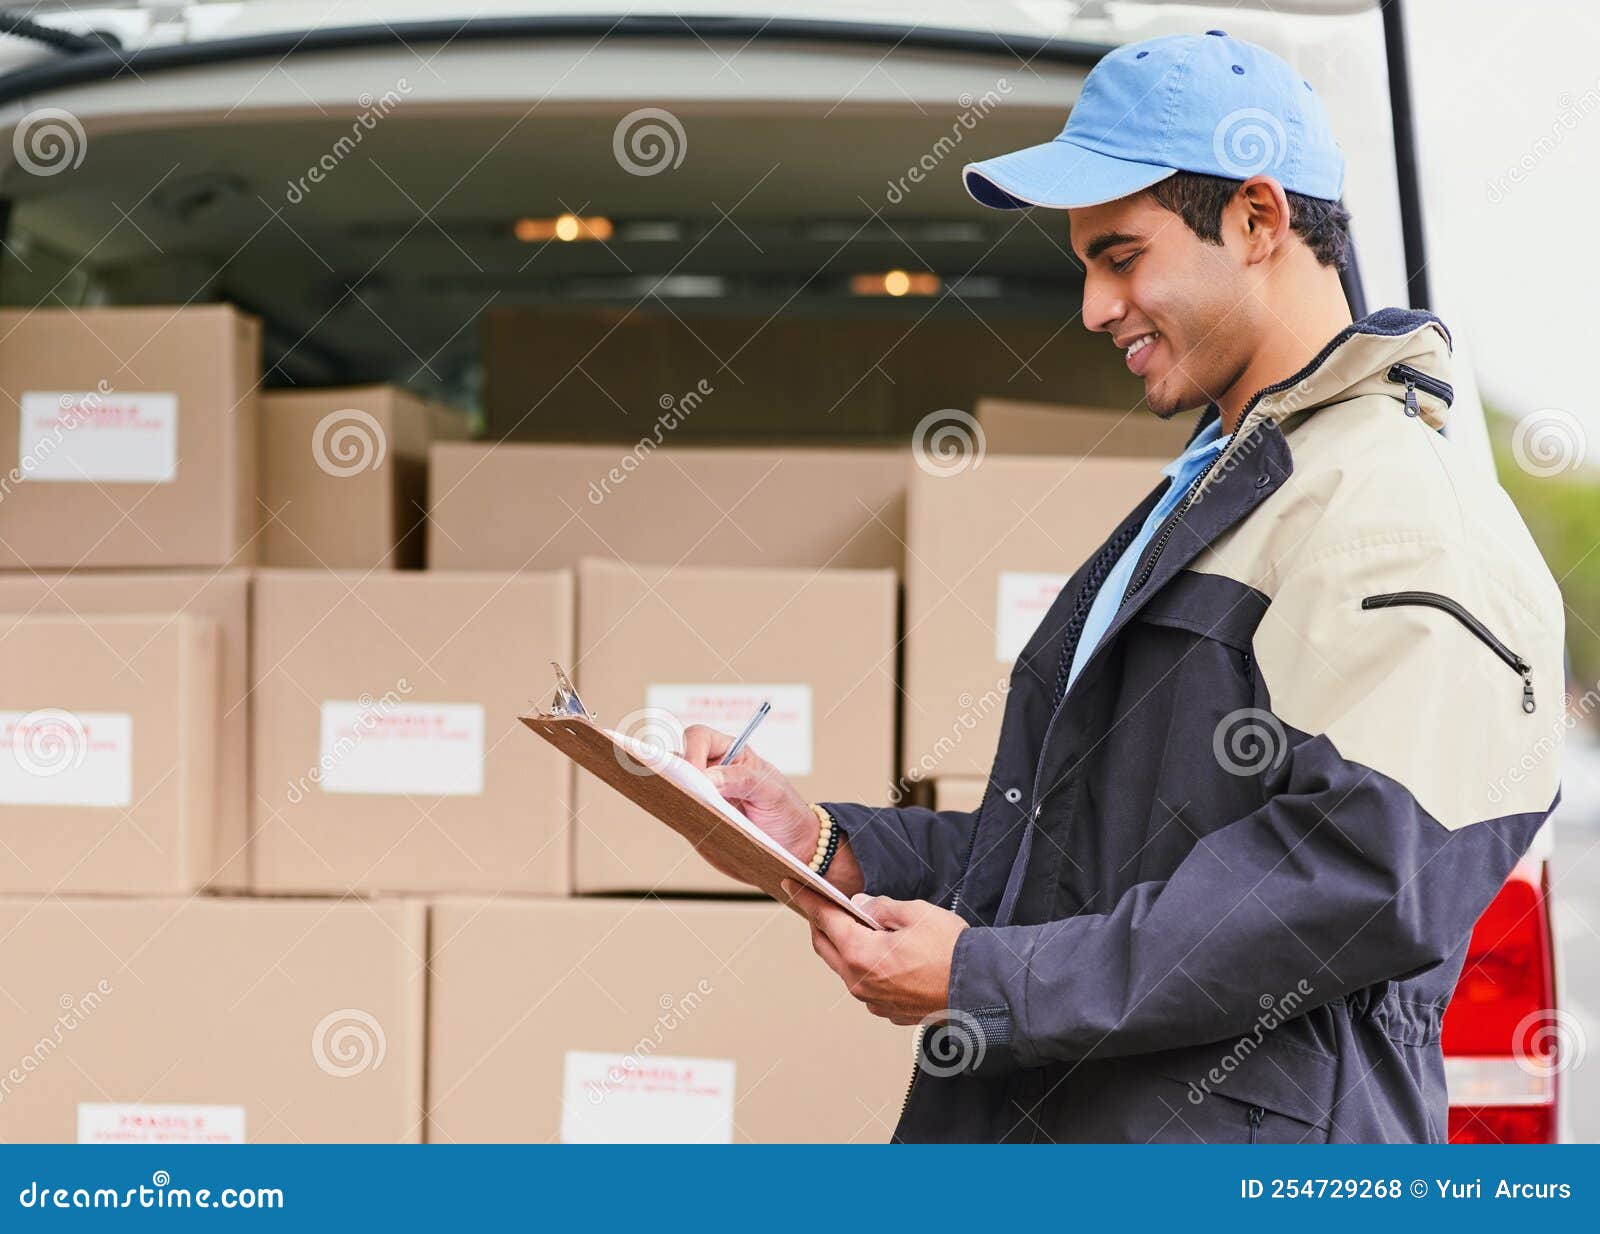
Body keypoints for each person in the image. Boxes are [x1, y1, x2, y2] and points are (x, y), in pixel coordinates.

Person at [683, 30, 1565, 1143]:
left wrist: (990, 981)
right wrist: (823, 842)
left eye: (1120, 255)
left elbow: (1361, 880)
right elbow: (1087, 857)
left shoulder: (1397, 505)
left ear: (1256, 219)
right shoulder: (1225, 484)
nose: (1096, 307)